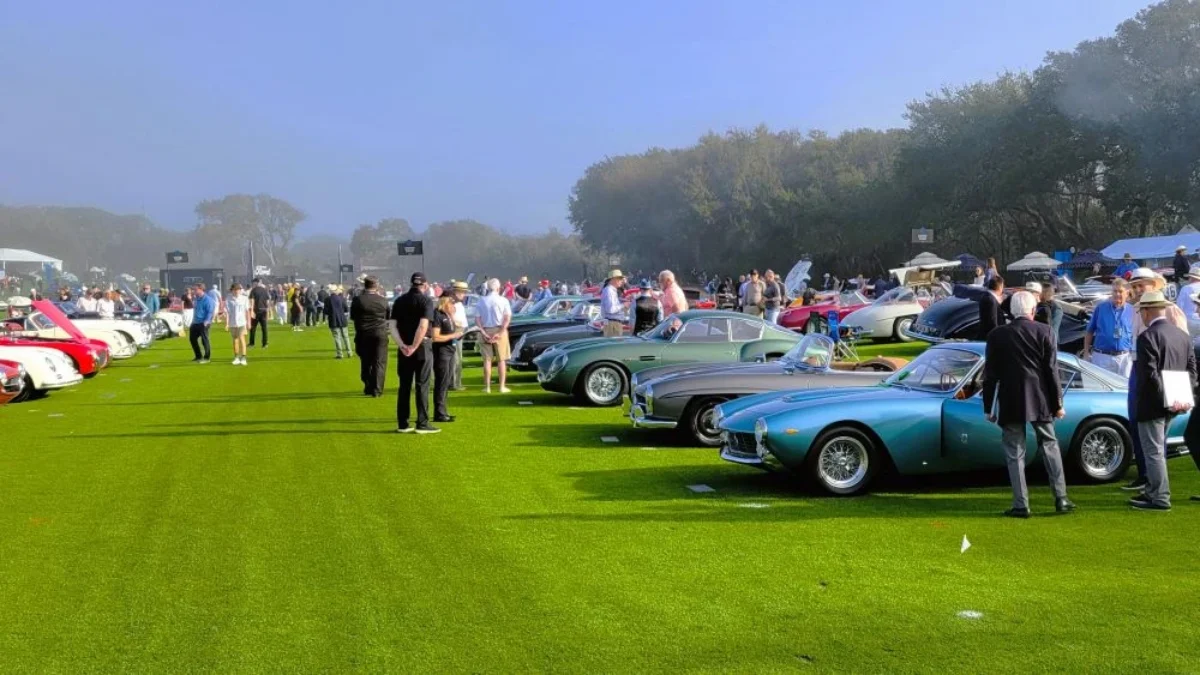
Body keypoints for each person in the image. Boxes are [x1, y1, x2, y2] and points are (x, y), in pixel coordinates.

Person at [982, 290, 1073, 518]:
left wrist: (988, 407)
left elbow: (990, 375)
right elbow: (1052, 371)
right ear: (1032, 311)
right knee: (1050, 447)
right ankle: (1061, 498)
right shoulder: (1045, 331)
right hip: (1040, 397)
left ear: (1012, 312)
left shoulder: (996, 335)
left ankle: (1021, 503)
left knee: (1014, 452)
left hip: (1010, 398)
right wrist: (1058, 403)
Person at [1130, 290, 1196, 511]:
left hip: (1154, 403)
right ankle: (1153, 492)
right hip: (1175, 402)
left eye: (1142, 311)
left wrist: (1167, 399)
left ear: (1147, 311)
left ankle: (1159, 497)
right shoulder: (1182, 336)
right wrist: (1181, 397)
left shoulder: (1147, 337)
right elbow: (1192, 371)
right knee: (1158, 449)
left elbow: (1149, 375)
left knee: (1154, 450)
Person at [388, 273, 438, 434]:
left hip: (404, 348)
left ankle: (403, 423)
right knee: (422, 385)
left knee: (404, 386)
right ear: (425, 285)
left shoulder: (399, 300)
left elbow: (392, 326)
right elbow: (423, 326)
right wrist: (414, 346)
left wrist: (402, 345)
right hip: (421, 347)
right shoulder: (426, 301)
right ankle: (422, 423)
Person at [1083, 279, 1134, 377]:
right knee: (1102, 390)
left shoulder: (1132, 310)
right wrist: (1086, 352)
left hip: (1124, 358)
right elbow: (1089, 331)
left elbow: (1136, 334)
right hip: (1102, 357)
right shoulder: (1101, 308)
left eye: (1120, 291)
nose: (1117, 294)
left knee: (1125, 389)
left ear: (1127, 293)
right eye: (1115, 291)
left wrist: (1134, 356)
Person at [351, 277, 390, 397]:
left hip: (363, 333)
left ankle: (368, 384)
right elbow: (387, 317)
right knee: (379, 362)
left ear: (364, 285)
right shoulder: (383, 301)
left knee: (366, 361)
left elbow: (353, 316)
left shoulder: (358, 300)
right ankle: (377, 389)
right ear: (376, 286)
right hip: (380, 333)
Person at [430, 294, 463, 423]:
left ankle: (443, 411)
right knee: (441, 382)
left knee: (446, 381)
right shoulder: (438, 315)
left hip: (450, 350)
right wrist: (453, 335)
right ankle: (439, 413)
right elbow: (436, 337)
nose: (453, 306)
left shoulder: (448, 315)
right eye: (451, 303)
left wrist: (458, 334)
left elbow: (451, 333)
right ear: (445, 303)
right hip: (442, 352)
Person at [476, 278, 513, 393]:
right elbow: (507, 318)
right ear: (498, 287)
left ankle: (487, 387)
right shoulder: (503, 300)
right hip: (499, 328)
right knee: (501, 360)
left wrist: (483, 332)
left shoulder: (481, 300)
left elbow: (478, 319)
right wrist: (501, 332)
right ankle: (502, 386)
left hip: (485, 329)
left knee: (487, 360)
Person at [450, 281, 470, 391]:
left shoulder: (459, 304)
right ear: (456, 292)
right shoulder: (451, 304)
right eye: (463, 292)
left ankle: (456, 382)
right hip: (456, 333)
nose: (464, 295)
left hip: (461, 332)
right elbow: (451, 320)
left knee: (458, 359)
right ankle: (454, 384)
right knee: (455, 360)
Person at [189, 283, 216, 363]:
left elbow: (210, 312)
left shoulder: (208, 300)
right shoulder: (196, 299)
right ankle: (198, 356)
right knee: (192, 339)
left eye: (196, 289)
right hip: (195, 323)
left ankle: (207, 358)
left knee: (204, 340)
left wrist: (206, 321)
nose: (194, 291)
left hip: (204, 323)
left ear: (201, 289)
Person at [225, 283, 250, 365]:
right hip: (233, 322)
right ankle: (236, 357)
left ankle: (243, 357)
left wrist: (248, 322)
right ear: (232, 290)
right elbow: (228, 312)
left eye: (238, 289)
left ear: (240, 290)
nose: (236, 291)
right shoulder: (228, 299)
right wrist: (227, 323)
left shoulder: (244, 298)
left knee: (242, 338)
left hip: (242, 322)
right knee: (235, 339)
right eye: (235, 290)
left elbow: (247, 311)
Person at [325, 285, 350, 358]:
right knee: (346, 337)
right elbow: (346, 309)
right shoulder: (342, 298)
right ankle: (349, 352)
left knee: (337, 337)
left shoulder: (327, 299)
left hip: (333, 320)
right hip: (342, 319)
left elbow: (325, 311)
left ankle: (340, 354)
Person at [600, 270, 626, 337]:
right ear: (613, 279)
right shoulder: (609, 291)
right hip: (613, 324)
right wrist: (624, 305)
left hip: (612, 323)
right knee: (615, 346)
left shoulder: (610, 290)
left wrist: (623, 301)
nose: (621, 281)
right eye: (620, 279)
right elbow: (611, 309)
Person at [1176, 264, 1200, 336]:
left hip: (1190, 319)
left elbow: (1179, 306)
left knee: (1192, 342)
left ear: (1191, 278)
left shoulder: (1186, 288)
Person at [248, 278, 271, 349]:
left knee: (253, 328)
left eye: (253, 283)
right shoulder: (265, 290)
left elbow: (252, 301)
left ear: (256, 283)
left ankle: (252, 344)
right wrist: (268, 311)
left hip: (256, 311)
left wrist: (251, 311)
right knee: (264, 328)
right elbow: (267, 302)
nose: (253, 284)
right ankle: (265, 344)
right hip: (264, 311)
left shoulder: (253, 290)